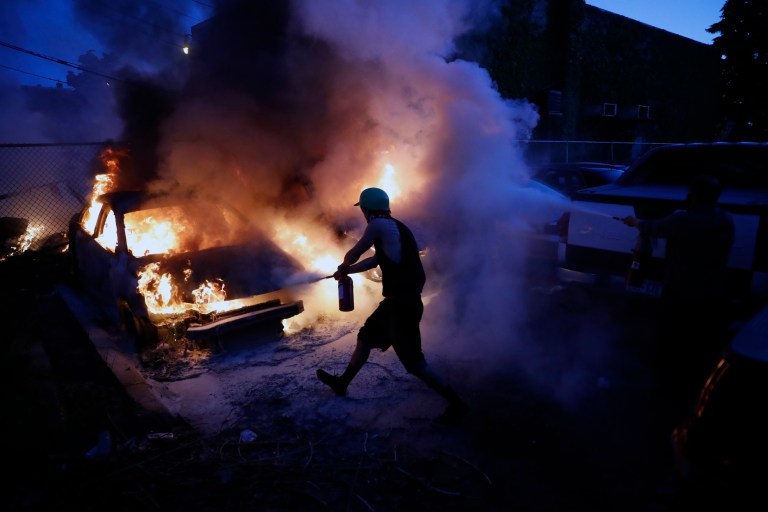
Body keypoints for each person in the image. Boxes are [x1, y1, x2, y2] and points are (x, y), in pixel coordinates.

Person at [316, 187, 468, 424]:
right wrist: (349, 272)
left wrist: (345, 265)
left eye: (363, 210)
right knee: (365, 337)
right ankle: (342, 383)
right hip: (395, 303)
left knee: (416, 365)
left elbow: (356, 253)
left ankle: (457, 403)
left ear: (367, 209)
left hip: (403, 306)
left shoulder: (377, 225)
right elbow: (374, 260)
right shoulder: (394, 229)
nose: (363, 215)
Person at [622, 174, 735, 415]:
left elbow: (650, 227)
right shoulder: (726, 221)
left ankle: (668, 392)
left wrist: (633, 221)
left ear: (692, 195)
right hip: (713, 293)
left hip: (681, 292)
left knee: (673, 340)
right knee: (701, 342)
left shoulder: (683, 221)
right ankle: (699, 384)